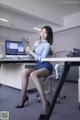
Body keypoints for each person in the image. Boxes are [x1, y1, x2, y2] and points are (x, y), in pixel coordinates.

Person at [16, 26, 53, 120]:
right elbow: (32, 55)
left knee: (32, 74)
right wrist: (27, 47)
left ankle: (45, 102)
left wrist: (31, 52)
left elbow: (41, 58)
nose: (42, 34)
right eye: (41, 32)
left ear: (48, 35)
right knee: (24, 71)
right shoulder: (37, 43)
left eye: (45, 32)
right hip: (38, 65)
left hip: (46, 66)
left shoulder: (47, 45)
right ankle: (23, 97)